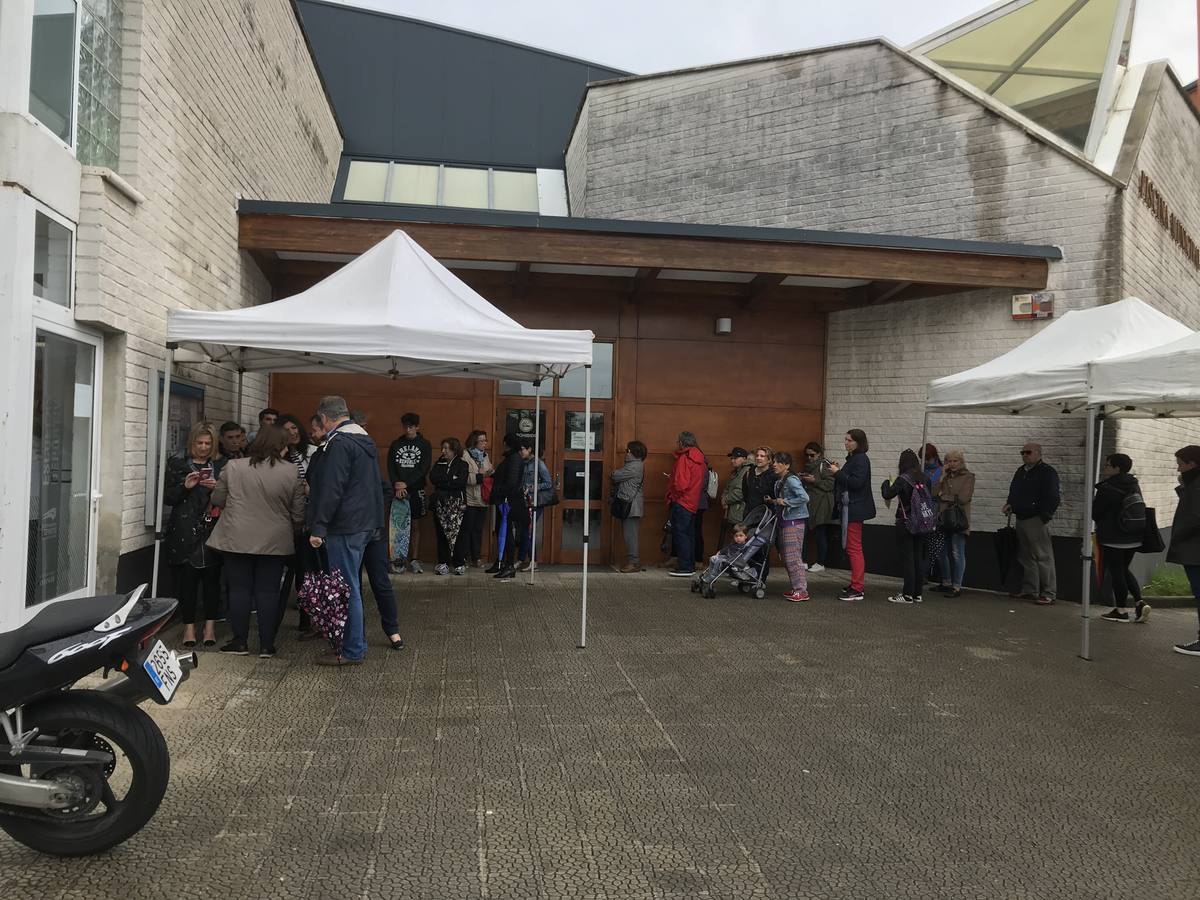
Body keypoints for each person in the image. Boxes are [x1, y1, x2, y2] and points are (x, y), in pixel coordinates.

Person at [207, 426, 305, 658]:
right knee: (268, 592)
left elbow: (217, 499)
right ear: (282, 447)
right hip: (275, 540)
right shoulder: (291, 472)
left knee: (239, 590)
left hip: (236, 538)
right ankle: (266, 645)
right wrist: (295, 529)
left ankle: (240, 642)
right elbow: (299, 514)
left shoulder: (234, 467)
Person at [307, 395, 385, 667]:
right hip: (364, 524)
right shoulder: (364, 440)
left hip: (345, 526)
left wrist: (318, 527)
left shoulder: (339, 444)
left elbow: (332, 489)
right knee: (351, 586)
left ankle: (352, 650)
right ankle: (354, 644)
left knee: (346, 588)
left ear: (325, 418)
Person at [162, 422, 224, 648]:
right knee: (187, 580)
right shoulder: (178, 465)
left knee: (212, 581)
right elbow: (168, 497)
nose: (204, 448)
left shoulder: (221, 465)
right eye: (200, 443)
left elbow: (233, 497)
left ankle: (210, 626)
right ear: (192, 443)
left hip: (213, 527)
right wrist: (185, 487)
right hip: (185, 528)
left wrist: (217, 488)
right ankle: (188, 627)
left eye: (208, 443)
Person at [1093, 453, 1151, 624]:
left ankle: (1121, 611)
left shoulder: (1108, 487)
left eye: (1107, 465)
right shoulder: (1133, 483)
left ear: (1117, 468)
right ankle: (1140, 602)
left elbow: (1096, 512)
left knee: (1117, 572)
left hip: (1113, 537)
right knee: (1124, 569)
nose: (1105, 468)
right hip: (1134, 535)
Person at [1004, 441, 1060, 605]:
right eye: (1022, 453)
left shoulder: (1047, 472)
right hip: (1021, 517)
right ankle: (1030, 589)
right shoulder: (1021, 471)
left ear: (1038, 453)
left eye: (1028, 452)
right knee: (1026, 555)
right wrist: (1010, 504)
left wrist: (1044, 516)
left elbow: (1053, 496)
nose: (1024, 455)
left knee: (1042, 555)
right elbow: (1014, 490)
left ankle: (1049, 592)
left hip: (1035, 518)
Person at [829, 429, 874, 602]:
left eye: (849, 440)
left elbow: (856, 483)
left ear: (858, 442)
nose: (846, 442)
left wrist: (837, 473)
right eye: (845, 439)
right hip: (851, 508)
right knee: (852, 547)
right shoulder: (856, 459)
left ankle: (857, 588)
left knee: (854, 548)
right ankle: (856, 585)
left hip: (854, 509)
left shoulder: (860, 459)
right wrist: (839, 470)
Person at [880, 449, 931, 604]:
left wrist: (885, 484)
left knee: (908, 558)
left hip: (906, 521)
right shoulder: (925, 478)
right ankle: (917, 593)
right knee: (918, 557)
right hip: (922, 522)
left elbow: (888, 494)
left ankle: (907, 594)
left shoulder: (903, 479)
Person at [388, 412, 433, 574]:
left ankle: (414, 559)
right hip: (399, 491)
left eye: (411, 427)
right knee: (398, 526)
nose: (408, 430)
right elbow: (391, 466)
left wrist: (407, 483)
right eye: (405, 427)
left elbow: (424, 468)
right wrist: (398, 485)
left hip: (416, 490)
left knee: (415, 525)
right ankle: (398, 559)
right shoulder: (396, 444)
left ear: (417, 427)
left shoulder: (424, 444)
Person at [767, 451, 810, 602]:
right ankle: (796, 588)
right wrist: (774, 501)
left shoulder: (791, 480)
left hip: (794, 522)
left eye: (778, 462)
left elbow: (804, 497)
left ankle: (801, 590)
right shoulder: (781, 480)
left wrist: (785, 502)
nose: (774, 464)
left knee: (793, 557)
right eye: (774, 461)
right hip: (786, 521)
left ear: (787, 465)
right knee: (787, 557)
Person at [1170, 445, 1200, 656]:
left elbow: (1194, 518)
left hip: (1195, 549)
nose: (1178, 469)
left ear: (1192, 464)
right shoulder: (1194, 485)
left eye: (1181, 464)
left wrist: (1178, 535)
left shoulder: (1198, 486)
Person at [934, 449, 975, 598]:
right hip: (943, 519)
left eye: (955, 461)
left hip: (958, 519)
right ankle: (946, 582)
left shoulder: (968, 477)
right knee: (941, 552)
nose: (952, 464)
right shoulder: (945, 477)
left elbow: (964, 498)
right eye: (949, 461)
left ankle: (957, 586)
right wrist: (941, 477)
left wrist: (943, 496)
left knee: (957, 553)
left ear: (961, 462)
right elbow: (933, 493)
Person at [666, 431, 707, 577]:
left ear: (682, 442)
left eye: (678, 441)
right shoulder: (700, 459)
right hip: (693, 501)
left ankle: (684, 566)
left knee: (681, 534)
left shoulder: (684, 458)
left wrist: (674, 495)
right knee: (690, 534)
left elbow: (681, 484)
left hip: (682, 500)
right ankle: (689, 565)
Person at [489, 433, 528, 580]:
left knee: (505, 533)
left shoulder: (513, 459)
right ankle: (504, 563)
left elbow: (511, 482)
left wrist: (499, 491)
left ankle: (509, 564)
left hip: (508, 501)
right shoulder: (513, 458)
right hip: (507, 500)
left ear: (507, 444)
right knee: (503, 532)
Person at [430, 437, 469, 575]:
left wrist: (446, 481)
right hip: (441, 504)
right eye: (443, 448)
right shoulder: (439, 463)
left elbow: (461, 482)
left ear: (454, 449)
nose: (443, 451)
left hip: (457, 505)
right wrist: (450, 479)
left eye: (446, 448)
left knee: (458, 533)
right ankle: (443, 562)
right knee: (442, 533)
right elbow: (433, 478)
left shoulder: (462, 464)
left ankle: (459, 563)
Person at [800, 442, 836, 573]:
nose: (809, 458)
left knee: (820, 533)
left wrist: (814, 481)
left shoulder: (825, 465)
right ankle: (803, 561)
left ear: (819, 454)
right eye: (807, 455)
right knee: (805, 533)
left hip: (822, 504)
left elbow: (831, 484)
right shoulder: (808, 466)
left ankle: (821, 562)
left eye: (812, 455)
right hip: (810, 503)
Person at [611, 440, 647, 572]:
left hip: (632, 506)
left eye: (628, 450)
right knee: (630, 534)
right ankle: (633, 561)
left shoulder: (635, 466)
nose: (626, 453)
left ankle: (634, 562)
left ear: (632, 452)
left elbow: (615, 476)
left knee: (630, 535)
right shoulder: (634, 465)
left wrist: (615, 473)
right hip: (630, 504)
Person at [462, 430, 494, 568]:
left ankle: (476, 556)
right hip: (470, 498)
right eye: (482, 440)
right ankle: (465, 556)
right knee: (467, 528)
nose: (485, 443)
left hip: (483, 499)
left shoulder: (485, 456)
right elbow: (465, 477)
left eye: (485, 440)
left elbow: (489, 471)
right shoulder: (465, 455)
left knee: (478, 529)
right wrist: (480, 476)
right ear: (474, 441)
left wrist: (489, 473)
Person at [519, 443, 553, 571]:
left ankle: (533, 561)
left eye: (523, 449)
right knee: (524, 531)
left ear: (530, 449)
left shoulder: (538, 463)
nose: (521, 451)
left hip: (534, 502)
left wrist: (532, 487)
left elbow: (548, 483)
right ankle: (522, 559)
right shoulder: (524, 463)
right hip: (524, 501)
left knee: (528, 531)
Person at [720, 447, 752, 549]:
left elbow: (740, 492)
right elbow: (728, 488)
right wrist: (724, 497)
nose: (732, 460)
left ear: (744, 459)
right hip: (734, 511)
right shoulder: (736, 472)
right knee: (733, 541)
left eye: (735, 458)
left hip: (740, 512)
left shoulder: (746, 471)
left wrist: (725, 499)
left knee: (740, 541)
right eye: (732, 458)